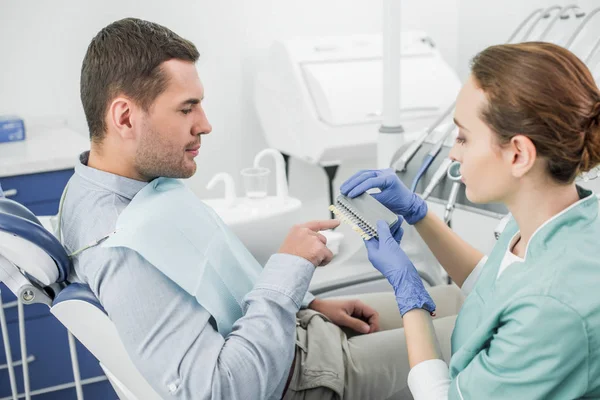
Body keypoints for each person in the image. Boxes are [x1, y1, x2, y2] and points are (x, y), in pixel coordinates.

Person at [60, 17, 463, 399]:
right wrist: (288, 269)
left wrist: (307, 304)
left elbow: (214, 291)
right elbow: (220, 390)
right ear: (125, 117)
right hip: (301, 376)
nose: (205, 124)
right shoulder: (122, 246)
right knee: (481, 332)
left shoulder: (111, 187)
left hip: (295, 331)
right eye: (187, 108)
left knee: (461, 300)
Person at [342, 41, 600, 399]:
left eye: (463, 137)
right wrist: (419, 214)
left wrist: (410, 297)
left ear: (519, 154)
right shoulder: (561, 215)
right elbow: (497, 284)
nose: (453, 151)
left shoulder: (549, 312)